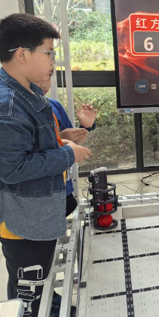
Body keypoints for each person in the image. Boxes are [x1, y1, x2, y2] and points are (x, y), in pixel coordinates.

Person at [0, 13, 91, 317]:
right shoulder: (6, 105)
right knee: (27, 282)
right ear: (22, 54)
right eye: (48, 52)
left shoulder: (23, 91)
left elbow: (26, 145)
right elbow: (14, 168)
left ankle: (50, 307)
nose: (52, 60)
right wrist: (67, 153)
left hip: (34, 209)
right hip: (21, 218)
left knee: (39, 271)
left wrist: (61, 139)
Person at [37, 78, 97, 217]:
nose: (44, 84)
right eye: (38, 78)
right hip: (39, 192)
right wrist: (59, 138)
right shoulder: (15, 111)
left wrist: (85, 127)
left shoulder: (54, 105)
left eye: (49, 76)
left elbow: (73, 143)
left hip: (64, 186)